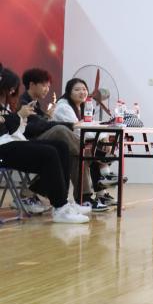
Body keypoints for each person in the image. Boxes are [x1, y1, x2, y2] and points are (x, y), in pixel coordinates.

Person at [0, 66, 90, 223]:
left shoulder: (11, 104)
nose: (12, 92)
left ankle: (62, 203)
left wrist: (17, 118)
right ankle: (61, 206)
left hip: (14, 140)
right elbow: (24, 127)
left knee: (62, 147)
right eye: (10, 89)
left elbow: (14, 126)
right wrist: (19, 116)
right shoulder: (22, 102)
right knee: (52, 149)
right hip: (6, 145)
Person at [19, 68, 105, 210]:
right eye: (44, 85)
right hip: (26, 143)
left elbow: (40, 124)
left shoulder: (35, 103)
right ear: (32, 84)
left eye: (48, 86)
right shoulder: (23, 102)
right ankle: (95, 156)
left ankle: (84, 199)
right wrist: (67, 124)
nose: (47, 89)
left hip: (42, 142)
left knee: (71, 155)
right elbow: (33, 128)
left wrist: (46, 117)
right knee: (61, 130)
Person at [52, 77, 117, 207]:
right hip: (61, 147)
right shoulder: (63, 107)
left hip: (75, 145)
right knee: (88, 153)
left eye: (84, 89)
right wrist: (100, 137)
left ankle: (101, 192)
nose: (82, 92)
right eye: (77, 89)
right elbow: (79, 130)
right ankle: (99, 182)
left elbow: (90, 125)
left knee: (97, 147)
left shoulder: (83, 106)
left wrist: (103, 136)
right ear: (69, 92)